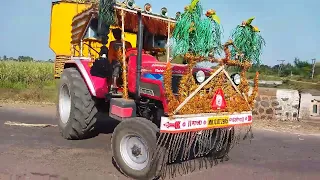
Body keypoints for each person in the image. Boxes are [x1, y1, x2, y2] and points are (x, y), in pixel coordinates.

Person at [108, 28, 132, 92]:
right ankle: (114, 84)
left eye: (117, 33)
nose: (115, 35)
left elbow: (130, 53)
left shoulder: (127, 43)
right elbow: (110, 55)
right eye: (114, 34)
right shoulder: (112, 43)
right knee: (117, 65)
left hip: (125, 60)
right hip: (116, 61)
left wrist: (125, 59)